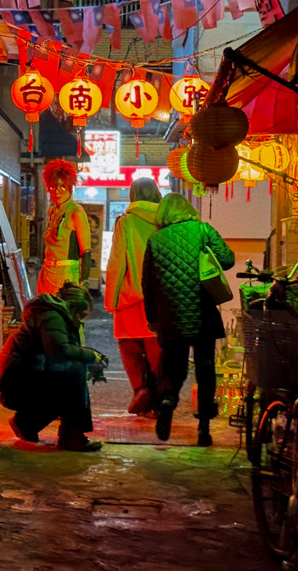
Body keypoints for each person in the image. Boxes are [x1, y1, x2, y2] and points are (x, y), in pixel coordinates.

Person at [142, 193, 235, 446]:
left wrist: (152, 317)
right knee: (205, 367)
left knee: (173, 366)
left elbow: (147, 284)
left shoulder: (156, 240)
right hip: (202, 312)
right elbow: (227, 260)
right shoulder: (203, 230)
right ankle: (204, 427)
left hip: (170, 317)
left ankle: (167, 402)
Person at [0, 282, 108, 452]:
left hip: (19, 378)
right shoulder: (53, 317)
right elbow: (59, 352)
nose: (81, 320)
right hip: (14, 384)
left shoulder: (53, 315)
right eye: (81, 315)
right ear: (72, 308)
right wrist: (91, 356)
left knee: (71, 376)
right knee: (73, 372)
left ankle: (27, 422)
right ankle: (71, 435)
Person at [104, 177, 163, 416]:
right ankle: (160, 398)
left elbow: (117, 261)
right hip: (160, 296)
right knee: (156, 347)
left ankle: (140, 389)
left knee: (129, 345)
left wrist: (112, 298)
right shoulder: (166, 221)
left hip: (130, 294)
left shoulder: (126, 222)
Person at [36, 159, 91, 295]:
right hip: (46, 271)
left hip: (66, 274)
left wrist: (83, 284)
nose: (57, 192)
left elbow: (86, 252)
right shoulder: (53, 211)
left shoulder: (76, 212)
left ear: (70, 187)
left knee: (64, 314)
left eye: (62, 187)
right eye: (53, 187)